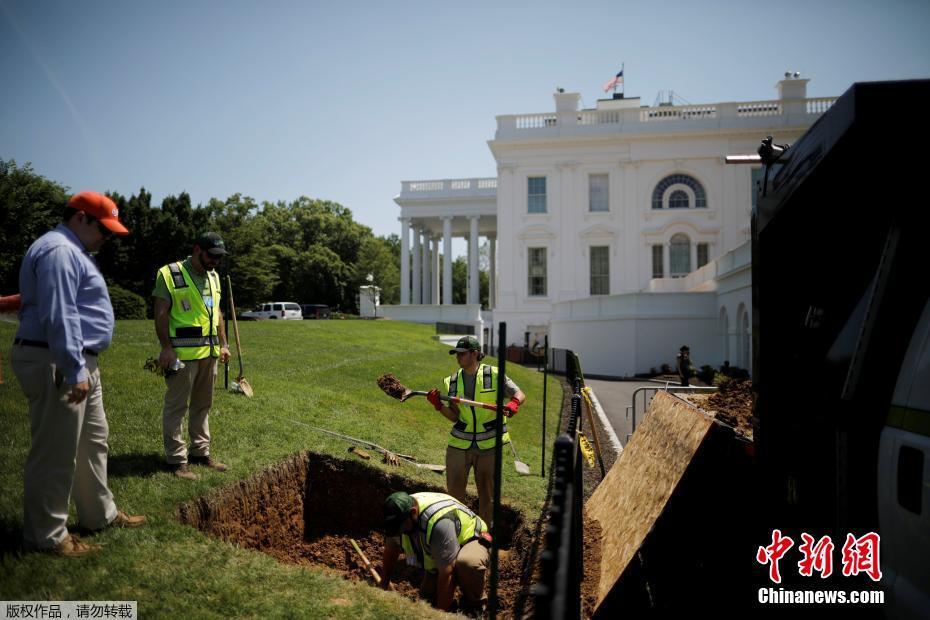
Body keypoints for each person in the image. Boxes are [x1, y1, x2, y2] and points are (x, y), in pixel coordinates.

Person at [12, 191, 146, 557]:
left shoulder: (71, 250)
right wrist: (73, 369)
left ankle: (98, 514)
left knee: (93, 442)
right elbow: (61, 313)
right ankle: (46, 537)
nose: (108, 238)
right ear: (81, 218)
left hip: (77, 360)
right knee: (56, 452)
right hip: (59, 360)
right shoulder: (60, 251)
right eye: (104, 229)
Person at [153, 232, 231, 480]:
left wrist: (224, 344)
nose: (215, 262)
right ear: (198, 249)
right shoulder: (169, 273)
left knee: (203, 405)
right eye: (211, 256)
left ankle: (200, 452)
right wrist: (166, 348)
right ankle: (177, 460)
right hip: (181, 356)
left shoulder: (214, 277)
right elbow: (161, 313)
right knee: (177, 407)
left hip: (209, 354)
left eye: (219, 258)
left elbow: (216, 312)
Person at [426, 335, 525, 524]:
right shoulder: (452, 381)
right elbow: (455, 417)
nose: (458, 357)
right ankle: (457, 530)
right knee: (454, 495)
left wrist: (514, 403)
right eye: (456, 354)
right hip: (459, 445)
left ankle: (484, 535)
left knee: (487, 495)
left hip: (489, 446)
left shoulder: (495, 374)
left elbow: (519, 394)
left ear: (475, 353)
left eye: (462, 354)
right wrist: (438, 406)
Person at [381, 491, 491, 612]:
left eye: (400, 528)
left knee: (468, 563)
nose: (398, 532)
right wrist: (383, 585)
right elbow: (391, 551)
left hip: (470, 538)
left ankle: (475, 605)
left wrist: (439, 615)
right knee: (425, 603)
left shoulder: (437, 523)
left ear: (413, 513)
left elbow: (447, 572)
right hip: (441, 546)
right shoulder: (398, 517)